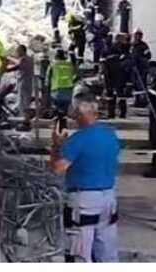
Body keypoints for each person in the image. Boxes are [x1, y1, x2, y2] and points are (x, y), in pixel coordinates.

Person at [50, 91, 121, 263]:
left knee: (79, 252)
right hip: (109, 199)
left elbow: (58, 168)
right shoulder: (110, 135)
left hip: (84, 201)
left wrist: (56, 145)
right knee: (107, 251)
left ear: (79, 114)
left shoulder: (78, 140)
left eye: (74, 113)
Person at [6, 45, 34, 131]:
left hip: (24, 83)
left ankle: (26, 122)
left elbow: (17, 67)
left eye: (18, 51)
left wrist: (5, 70)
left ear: (22, 51)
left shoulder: (24, 59)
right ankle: (25, 120)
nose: (17, 53)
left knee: (23, 102)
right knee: (24, 102)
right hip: (26, 83)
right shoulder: (27, 59)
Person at [47, 49, 75, 131]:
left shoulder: (53, 64)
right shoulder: (69, 64)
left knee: (56, 109)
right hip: (68, 90)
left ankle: (56, 126)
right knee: (64, 110)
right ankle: (63, 126)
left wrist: (47, 86)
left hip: (57, 90)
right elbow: (75, 74)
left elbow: (48, 77)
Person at [102, 34, 129, 119]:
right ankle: (113, 113)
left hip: (118, 75)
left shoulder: (124, 50)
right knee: (111, 94)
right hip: (112, 74)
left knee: (119, 95)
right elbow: (103, 63)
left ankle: (119, 113)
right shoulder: (108, 50)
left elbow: (127, 62)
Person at [131, 29, 152, 107]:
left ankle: (143, 101)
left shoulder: (144, 45)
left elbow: (148, 55)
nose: (137, 37)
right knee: (135, 85)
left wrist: (141, 59)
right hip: (133, 68)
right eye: (135, 35)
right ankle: (137, 101)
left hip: (141, 69)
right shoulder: (132, 45)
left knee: (142, 84)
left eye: (138, 35)